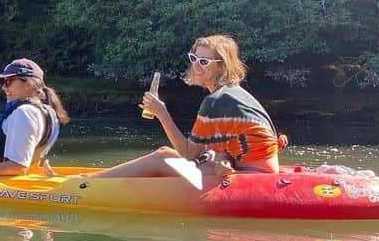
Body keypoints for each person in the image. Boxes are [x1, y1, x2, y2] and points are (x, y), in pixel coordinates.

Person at [89, 34, 285, 180]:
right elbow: (220, 147)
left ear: (221, 66)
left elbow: (188, 153)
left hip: (254, 176)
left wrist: (162, 113)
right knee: (167, 155)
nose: (197, 66)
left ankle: (86, 185)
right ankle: (94, 180)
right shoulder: (232, 93)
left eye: (205, 61)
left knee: (162, 157)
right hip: (247, 168)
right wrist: (221, 158)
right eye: (194, 58)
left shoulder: (216, 101)